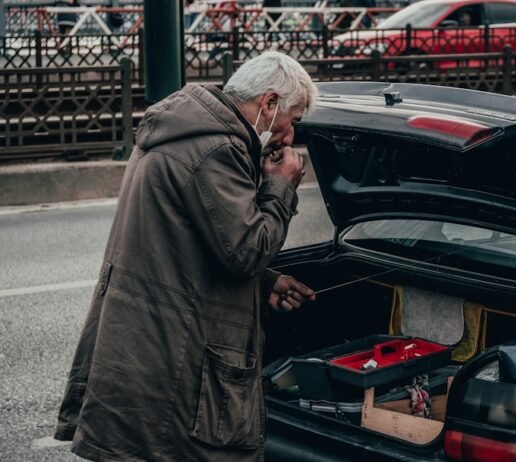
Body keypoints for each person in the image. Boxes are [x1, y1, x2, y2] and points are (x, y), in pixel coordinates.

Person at [53, 51, 318, 461]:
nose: (288, 137)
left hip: (143, 348)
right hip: (171, 361)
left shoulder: (187, 131)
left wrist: (265, 283)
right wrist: (281, 187)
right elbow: (247, 250)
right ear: (268, 104)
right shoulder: (217, 150)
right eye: (293, 120)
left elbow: (190, 244)